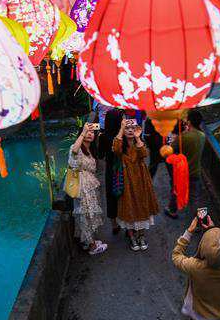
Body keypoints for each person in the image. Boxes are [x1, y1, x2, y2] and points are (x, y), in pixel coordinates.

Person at [113, 119, 159, 251]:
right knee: (129, 207)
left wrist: (138, 138)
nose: (130, 130)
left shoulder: (138, 143)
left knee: (142, 205)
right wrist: (121, 129)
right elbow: (116, 149)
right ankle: (133, 238)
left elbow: (144, 154)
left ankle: (142, 236)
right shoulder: (120, 144)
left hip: (141, 180)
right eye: (127, 128)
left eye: (132, 128)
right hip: (126, 181)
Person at [68, 123, 107, 255]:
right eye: (87, 132)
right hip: (82, 187)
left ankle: (89, 242)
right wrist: (83, 132)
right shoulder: (77, 148)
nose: (90, 134)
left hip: (89, 186)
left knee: (89, 214)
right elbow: (73, 151)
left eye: (92, 132)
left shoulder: (90, 149)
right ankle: (92, 246)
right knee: (86, 215)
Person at [164, 109, 206, 219]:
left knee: (177, 190)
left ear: (189, 121)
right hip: (196, 171)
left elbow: (169, 150)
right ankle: (196, 222)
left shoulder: (184, 137)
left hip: (183, 171)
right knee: (195, 198)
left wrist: (176, 139)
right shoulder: (202, 136)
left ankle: (172, 210)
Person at [97, 109, 124, 235]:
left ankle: (114, 224)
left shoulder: (103, 136)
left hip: (110, 168)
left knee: (110, 195)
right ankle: (126, 221)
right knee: (124, 193)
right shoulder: (122, 136)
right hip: (123, 167)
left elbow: (100, 155)